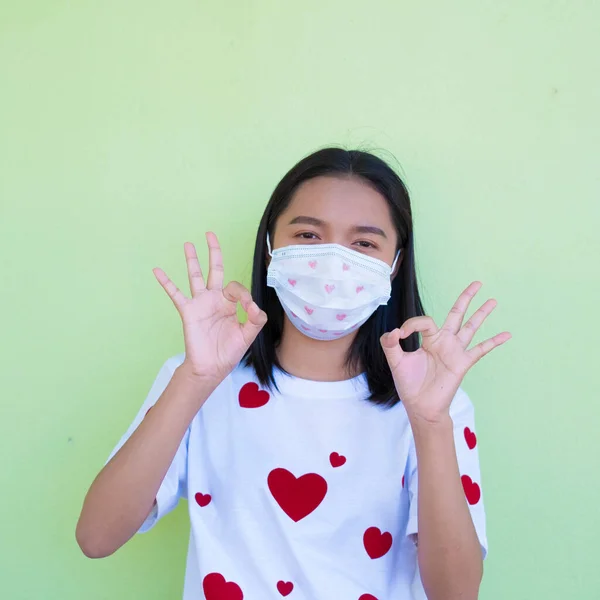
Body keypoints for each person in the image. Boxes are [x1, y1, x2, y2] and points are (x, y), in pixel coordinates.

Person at [76, 147, 511, 600]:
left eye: (363, 243)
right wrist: (195, 380)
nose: (332, 262)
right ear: (270, 247)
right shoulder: (197, 380)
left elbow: (457, 593)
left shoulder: (434, 404)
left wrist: (430, 424)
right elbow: (97, 536)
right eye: (307, 234)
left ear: (395, 265)